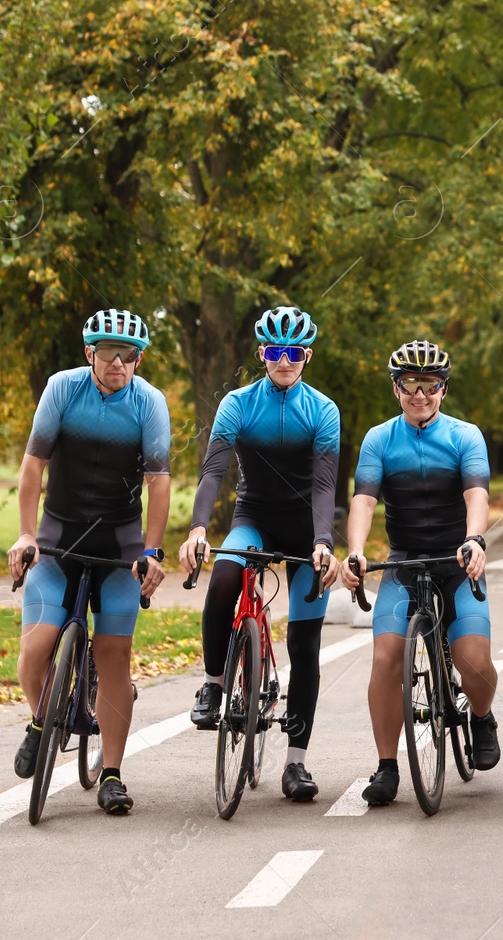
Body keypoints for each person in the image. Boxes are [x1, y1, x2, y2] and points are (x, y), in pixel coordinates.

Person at [7, 309, 170, 815]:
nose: (118, 363)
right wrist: (27, 534)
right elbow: (34, 464)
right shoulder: (62, 389)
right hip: (59, 535)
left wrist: (152, 550)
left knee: (114, 657)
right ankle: (41, 720)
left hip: (118, 546)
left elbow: (158, 481)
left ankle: (114, 773)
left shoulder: (150, 403)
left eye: (128, 356)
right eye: (108, 353)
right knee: (36, 650)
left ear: (138, 360)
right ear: (89, 354)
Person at [179, 306, 342, 803]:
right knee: (226, 575)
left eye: (293, 353)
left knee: (305, 639)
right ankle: (212, 682)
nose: (284, 360)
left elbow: (322, 485)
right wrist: (198, 528)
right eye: (275, 352)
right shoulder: (237, 403)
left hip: (303, 526)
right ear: (262, 355)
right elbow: (213, 472)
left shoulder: (323, 411)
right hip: (254, 516)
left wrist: (322, 543)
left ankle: (296, 762)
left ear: (307, 356)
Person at [339, 340, 500, 806]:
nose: (420, 394)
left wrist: (474, 540)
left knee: (473, 658)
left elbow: (477, 495)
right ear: (396, 388)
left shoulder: (465, 435)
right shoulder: (379, 439)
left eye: (430, 385)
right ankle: (387, 766)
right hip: (404, 562)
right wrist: (354, 551)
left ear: (443, 389)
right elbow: (365, 500)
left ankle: (483, 718)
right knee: (387, 657)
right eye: (411, 384)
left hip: (457, 560)